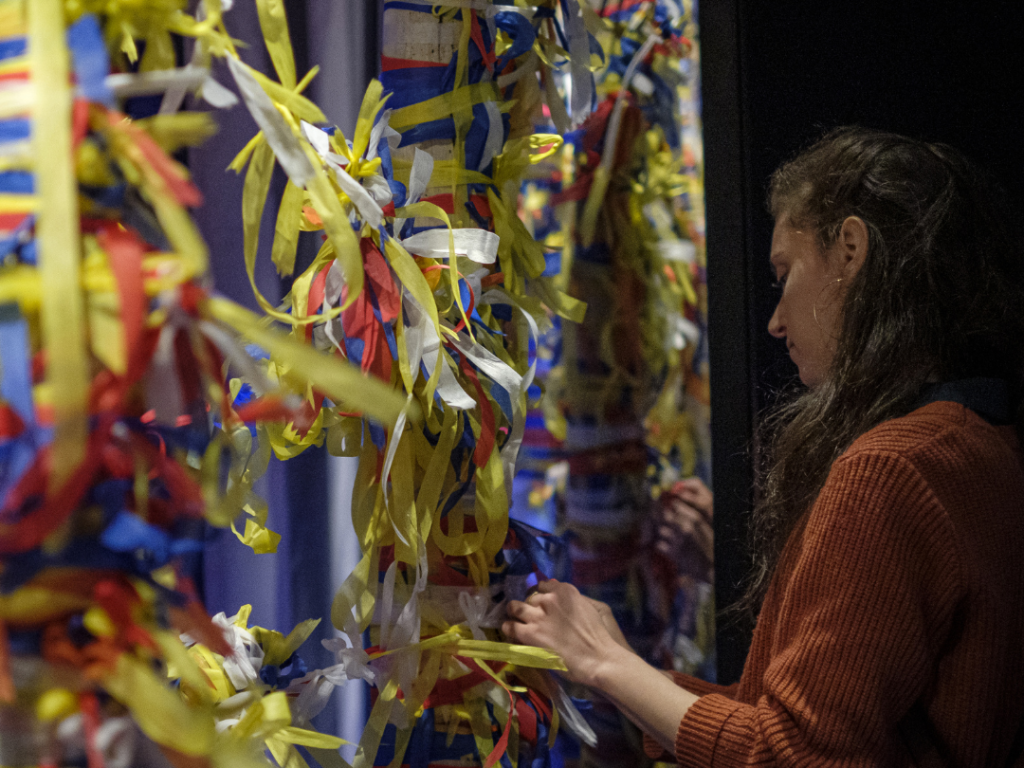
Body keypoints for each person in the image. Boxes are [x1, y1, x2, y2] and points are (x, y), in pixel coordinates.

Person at [502, 127, 1024, 766]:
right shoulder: (982, 445)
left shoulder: (892, 468)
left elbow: (792, 755)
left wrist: (605, 662)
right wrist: (621, 670)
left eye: (785, 273)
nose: (775, 320)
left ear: (851, 250)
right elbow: (817, 724)